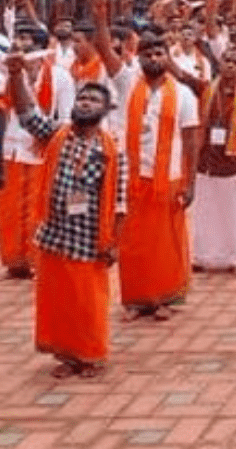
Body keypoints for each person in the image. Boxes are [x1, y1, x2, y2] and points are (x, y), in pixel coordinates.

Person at [5, 53, 127, 378]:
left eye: (93, 100)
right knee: (58, 301)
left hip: (90, 239)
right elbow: (28, 113)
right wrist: (16, 75)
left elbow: (119, 203)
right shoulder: (58, 134)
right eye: (83, 97)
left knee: (87, 301)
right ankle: (67, 355)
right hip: (56, 234)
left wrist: (113, 242)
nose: (86, 103)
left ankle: (91, 355)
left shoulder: (111, 150)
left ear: (104, 111)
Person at [112, 25, 201, 320]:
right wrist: (101, 18)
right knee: (133, 241)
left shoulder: (184, 94)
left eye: (159, 52)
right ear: (138, 58)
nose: (154, 57)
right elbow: (103, 49)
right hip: (133, 178)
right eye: (148, 53)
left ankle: (165, 297)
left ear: (167, 57)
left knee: (166, 241)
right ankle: (136, 300)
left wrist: (191, 183)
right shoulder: (127, 84)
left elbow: (191, 139)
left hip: (170, 176)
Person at [0, 24, 73, 278]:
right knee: (9, 209)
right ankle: (13, 261)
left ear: (40, 57)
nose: (26, 68)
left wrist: (48, 140)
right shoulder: (6, 76)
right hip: (12, 150)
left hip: (42, 152)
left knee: (36, 209)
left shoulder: (61, 78)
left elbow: (66, 119)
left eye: (30, 61)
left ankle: (34, 258)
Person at [191, 47, 236, 272]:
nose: (230, 65)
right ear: (219, 63)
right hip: (206, 161)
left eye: (235, 62)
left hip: (233, 163)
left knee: (234, 214)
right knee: (206, 212)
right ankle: (205, 257)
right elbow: (183, 77)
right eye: (226, 60)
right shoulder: (206, 91)